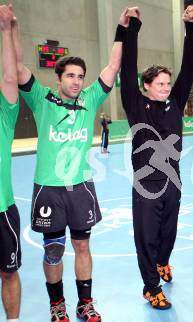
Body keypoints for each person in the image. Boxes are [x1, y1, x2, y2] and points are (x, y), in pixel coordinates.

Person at [13, 6, 127, 321]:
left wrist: (121, 29)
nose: (77, 82)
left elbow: (113, 66)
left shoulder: (89, 100)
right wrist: (11, 28)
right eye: (71, 76)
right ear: (58, 77)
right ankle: (57, 305)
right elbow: (19, 67)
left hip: (81, 187)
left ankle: (85, 303)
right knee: (53, 250)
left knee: (82, 246)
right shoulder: (41, 99)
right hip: (49, 189)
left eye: (80, 77)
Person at [120, 5, 193, 309]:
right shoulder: (135, 104)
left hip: (173, 181)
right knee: (147, 237)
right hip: (146, 185)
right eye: (160, 84)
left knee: (169, 232)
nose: (167, 88)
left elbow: (189, 68)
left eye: (168, 83)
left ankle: (163, 262)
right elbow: (127, 68)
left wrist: (191, 29)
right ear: (147, 86)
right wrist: (132, 29)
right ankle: (151, 287)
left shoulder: (175, 102)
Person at [0, 5, 21, 322]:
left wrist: (7, 31)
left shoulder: (5, 113)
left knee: (8, 273)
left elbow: (10, 74)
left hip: (2, 210)